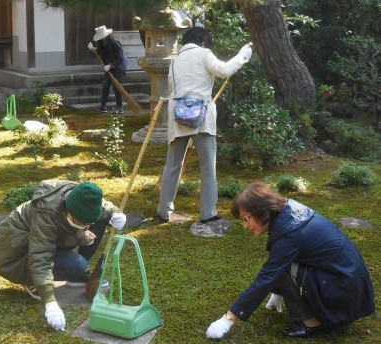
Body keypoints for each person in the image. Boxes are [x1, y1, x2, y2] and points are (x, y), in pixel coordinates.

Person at [206, 182, 376, 339]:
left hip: (344, 293)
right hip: (348, 286)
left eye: (246, 218)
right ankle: (314, 313)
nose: (245, 225)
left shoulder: (290, 233)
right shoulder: (289, 212)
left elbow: (267, 276)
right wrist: (278, 293)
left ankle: (312, 323)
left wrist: (228, 319)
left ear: (261, 211)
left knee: (278, 267)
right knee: (280, 263)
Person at [0, 180, 127, 332]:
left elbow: (102, 206)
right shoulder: (46, 215)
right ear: (66, 208)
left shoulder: (81, 197)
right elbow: (40, 257)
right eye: (79, 222)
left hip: (40, 241)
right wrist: (50, 303)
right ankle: (31, 279)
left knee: (100, 224)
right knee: (70, 264)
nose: (85, 227)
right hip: (13, 254)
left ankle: (78, 274)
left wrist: (115, 213)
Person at [157, 27, 252, 223]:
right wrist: (242, 57)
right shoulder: (204, 53)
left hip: (178, 115)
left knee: (173, 165)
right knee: (208, 166)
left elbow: (172, 88)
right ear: (202, 41)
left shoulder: (175, 60)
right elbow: (224, 71)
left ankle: (163, 210)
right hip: (201, 117)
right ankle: (208, 213)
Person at [88, 25, 127, 114]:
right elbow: (102, 53)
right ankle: (103, 106)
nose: (101, 39)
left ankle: (119, 106)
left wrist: (111, 65)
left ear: (106, 35)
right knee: (105, 85)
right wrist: (94, 49)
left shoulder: (115, 44)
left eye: (102, 37)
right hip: (108, 67)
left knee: (117, 87)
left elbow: (120, 57)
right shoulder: (101, 43)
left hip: (118, 67)